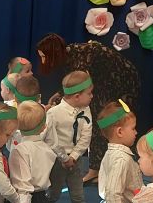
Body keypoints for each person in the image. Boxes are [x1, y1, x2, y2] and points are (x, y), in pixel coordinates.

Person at [35, 35, 140, 185]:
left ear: (54, 54)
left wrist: (57, 103)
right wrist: (59, 95)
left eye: (44, 56)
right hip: (104, 81)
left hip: (121, 81)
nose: (43, 61)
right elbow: (74, 84)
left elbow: (80, 87)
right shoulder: (69, 56)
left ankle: (101, 169)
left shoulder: (81, 58)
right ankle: (101, 167)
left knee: (101, 121)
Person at [45, 70, 96, 203]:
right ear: (76, 96)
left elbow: (86, 136)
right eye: (89, 93)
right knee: (53, 194)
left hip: (75, 160)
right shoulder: (53, 113)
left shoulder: (86, 109)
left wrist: (73, 156)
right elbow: (51, 140)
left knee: (78, 196)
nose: (92, 96)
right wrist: (64, 158)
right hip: (57, 161)